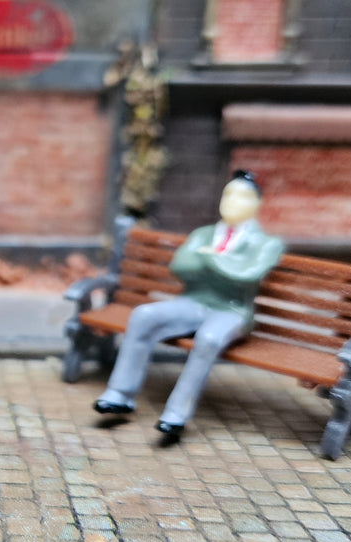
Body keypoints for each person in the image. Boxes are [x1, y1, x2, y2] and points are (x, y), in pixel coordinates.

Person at [94, 170, 285, 441]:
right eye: (228, 193)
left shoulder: (267, 243)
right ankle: (120, 394)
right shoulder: (204, 233)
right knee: (144, 315)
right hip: (194, 303)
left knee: (208, 338)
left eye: (242, 195)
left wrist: (209, 259)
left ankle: (176, 413)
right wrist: (220, 261)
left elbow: (248, 275)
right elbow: (180, 265)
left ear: (256, 203)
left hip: (231, 310)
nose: (232, 200)